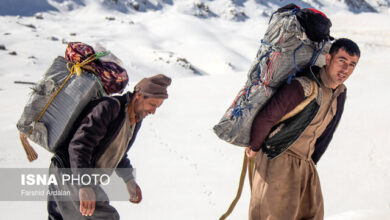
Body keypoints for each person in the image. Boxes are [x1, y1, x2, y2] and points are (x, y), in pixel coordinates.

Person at [246, 38, 360, 220]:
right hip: (278, 159)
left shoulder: (339, 93)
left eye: (352, 64)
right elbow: (268, 116)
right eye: (342, 61)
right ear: (329, 59)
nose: (345, 69)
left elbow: (328, 132)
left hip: (306, 165)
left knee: (313, 215)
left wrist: (312, 162)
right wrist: (254, 146)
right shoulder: (304, 86)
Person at [47, 74, 172, 220]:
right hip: (69, 173)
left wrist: (129, 180)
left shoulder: (135, 120)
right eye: (152, 105)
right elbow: (80, 145)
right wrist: (84, 185)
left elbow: (118, 153)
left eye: (157, 107)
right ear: (138, 96)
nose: (153, 111)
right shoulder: (109, 108)